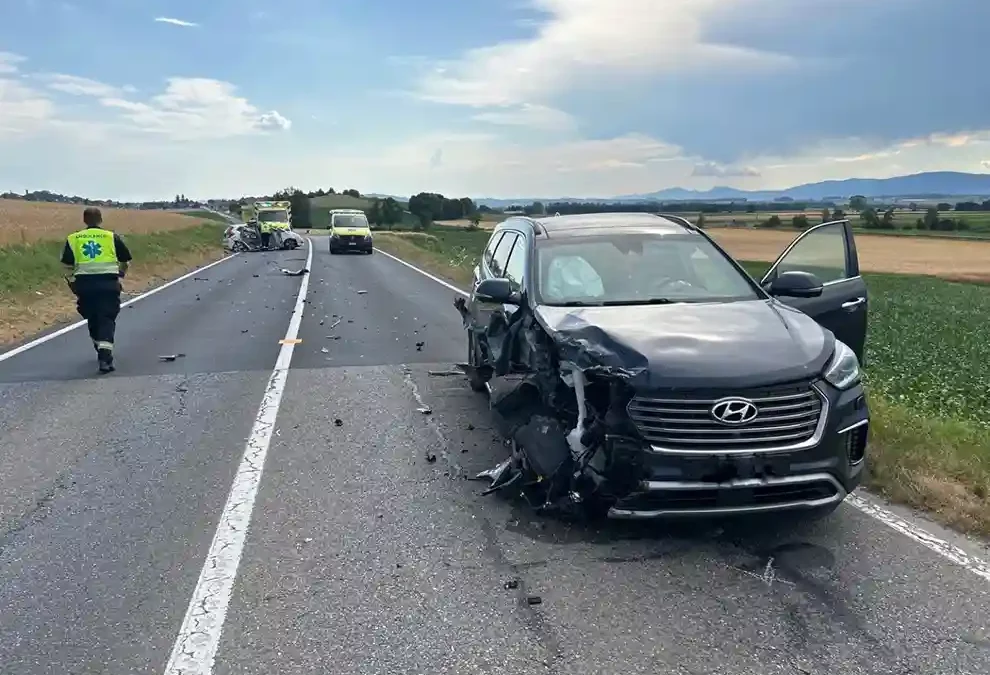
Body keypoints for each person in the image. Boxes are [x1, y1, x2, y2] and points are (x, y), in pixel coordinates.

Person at [60, 207, 132, 373]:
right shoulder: (111, 237)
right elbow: (126, 260)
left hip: (85, 286)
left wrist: (72, 282)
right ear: (100, 220)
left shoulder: (74, 239)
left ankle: (100, 346)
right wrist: (121, 274)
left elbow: (66, 266)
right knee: (107, 318)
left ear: (84, 220)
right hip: (108, 284)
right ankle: (105, 355)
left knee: (92, 318)